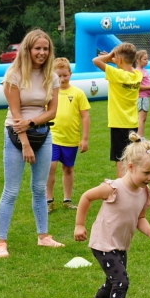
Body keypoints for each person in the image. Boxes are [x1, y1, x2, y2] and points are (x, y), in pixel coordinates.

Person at [75, 133, 150, 298]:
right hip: (103, 243)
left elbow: (139, 218)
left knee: (112, 281)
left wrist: (149, 231)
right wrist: (79, 225)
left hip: (121, 244)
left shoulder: (144, 192)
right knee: (121, 281)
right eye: (146, 173)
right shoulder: (113, 188)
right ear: (130, 167)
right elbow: (86, 196)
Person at [0, 29, 63, 258]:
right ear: (28, 49)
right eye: (38, 48)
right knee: (11, 190)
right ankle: (1, 242)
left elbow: (52, 111)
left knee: (39, 188)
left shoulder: (51, 76)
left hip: (43, 134)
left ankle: (43, 236)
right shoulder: (13, 74)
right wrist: (24, 142)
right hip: (15, 135)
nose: (42, 53)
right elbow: (15, 113)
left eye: (45, 49)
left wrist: (32, 122)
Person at [47, 57, 91, 212]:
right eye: (58, 76)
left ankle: (67, 199)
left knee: (68, 169)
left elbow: (85, 116)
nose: (62, 79)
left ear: (70, 74)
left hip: (71, 139)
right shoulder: (49, 93)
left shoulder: (78, 93)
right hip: (52, 137)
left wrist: (84, 138)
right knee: (50, 167)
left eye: (65, 75)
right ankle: (48, 200)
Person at [93, 43, 142, 176]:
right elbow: (125, 65)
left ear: (119, 60)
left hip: (118, 123)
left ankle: (122, 188)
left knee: (120, 159)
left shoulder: (116, 74)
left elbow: (95, 61)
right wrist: (115, 60)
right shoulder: (138, 75)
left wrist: (108, 56)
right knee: (129, 157)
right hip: (132, 123)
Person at [134, 50, 150, 138]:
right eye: (144, 59)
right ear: (138, 60)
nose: (147, 61)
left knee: (143, 118)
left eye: (147, 59)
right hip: (142, 97)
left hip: (146, 97)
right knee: (141, 118)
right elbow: (138, 87)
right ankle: (140, 137)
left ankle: (140, 136)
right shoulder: (138, 72)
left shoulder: (144, 70)